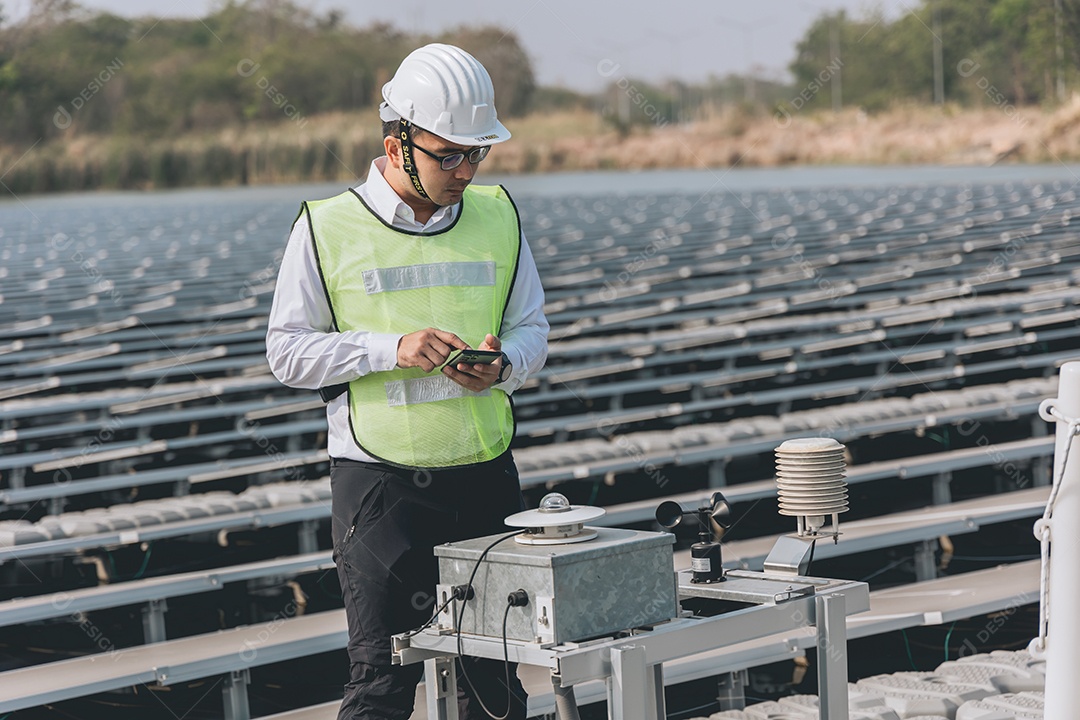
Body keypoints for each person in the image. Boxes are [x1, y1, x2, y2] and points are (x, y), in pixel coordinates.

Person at [265, 43, 548, 720]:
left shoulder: (498, 215)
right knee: (383, 680)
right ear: (396, 147)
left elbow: (532, 329)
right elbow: (287, 354)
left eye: (476, 154)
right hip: (381, 490)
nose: (465, 170)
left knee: (494, 680)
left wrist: (504, 365)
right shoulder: (326, 227)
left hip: (484, 477)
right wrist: (390, 348)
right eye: (448, 154)